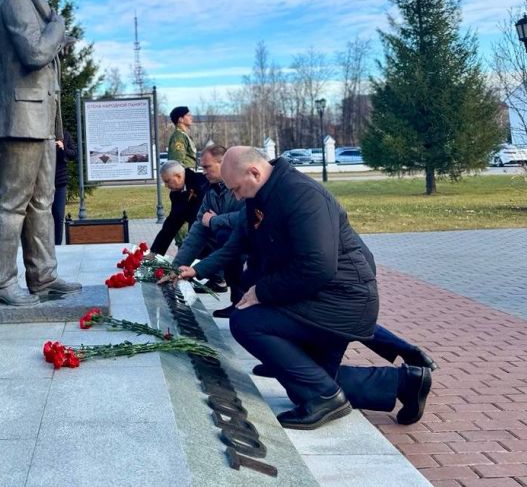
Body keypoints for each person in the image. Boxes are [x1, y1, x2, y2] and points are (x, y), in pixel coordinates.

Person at [179, 147, 432, 430]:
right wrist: (195, 270)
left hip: (342, 299)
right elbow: (238, 244)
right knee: (303, 388)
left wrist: (261, 292)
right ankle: (404, 382)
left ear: (254, 172)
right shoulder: (259, 196)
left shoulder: (302, 195)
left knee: (246, 321)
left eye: (237, 189)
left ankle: (325, 397)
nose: (236, 196)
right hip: (318, 294)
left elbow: (317, 266)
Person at [0, 0, 80, 306]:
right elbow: (35, 52)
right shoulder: (14, 2)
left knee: (41, 202)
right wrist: (57, 25)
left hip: (39, 120)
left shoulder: (29, 4)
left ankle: (43, 277)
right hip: (21, 118)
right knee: (12, 203)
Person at [170, 144, 245, 315]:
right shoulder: (211, 191)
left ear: (224, 164)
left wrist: (215, 220)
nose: (203, 171)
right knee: (224, 237)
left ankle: (245, 303)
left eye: (206, 167)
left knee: (224, 236)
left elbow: (246, 217)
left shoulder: (242, 185)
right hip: (234, 246)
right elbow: (197, 231)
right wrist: (175, 269)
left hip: (256, 247)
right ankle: (238, 303)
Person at [147, 160, 208, 256]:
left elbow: (197, 220)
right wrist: (154, 254)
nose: (166, 186)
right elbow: (171, 224)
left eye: (167, 181)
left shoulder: (200, 183)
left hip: (211, 239)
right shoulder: (175, 194)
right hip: (197, 239)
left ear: (179, 176)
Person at [51, 129, 77, 245]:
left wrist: (63, 147)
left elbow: (74, 154)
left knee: (58, 216)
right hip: (43, 182)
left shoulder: (65, 134)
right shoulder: (41, 133)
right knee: (44, 216)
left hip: (60, 182)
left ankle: (57, 245)